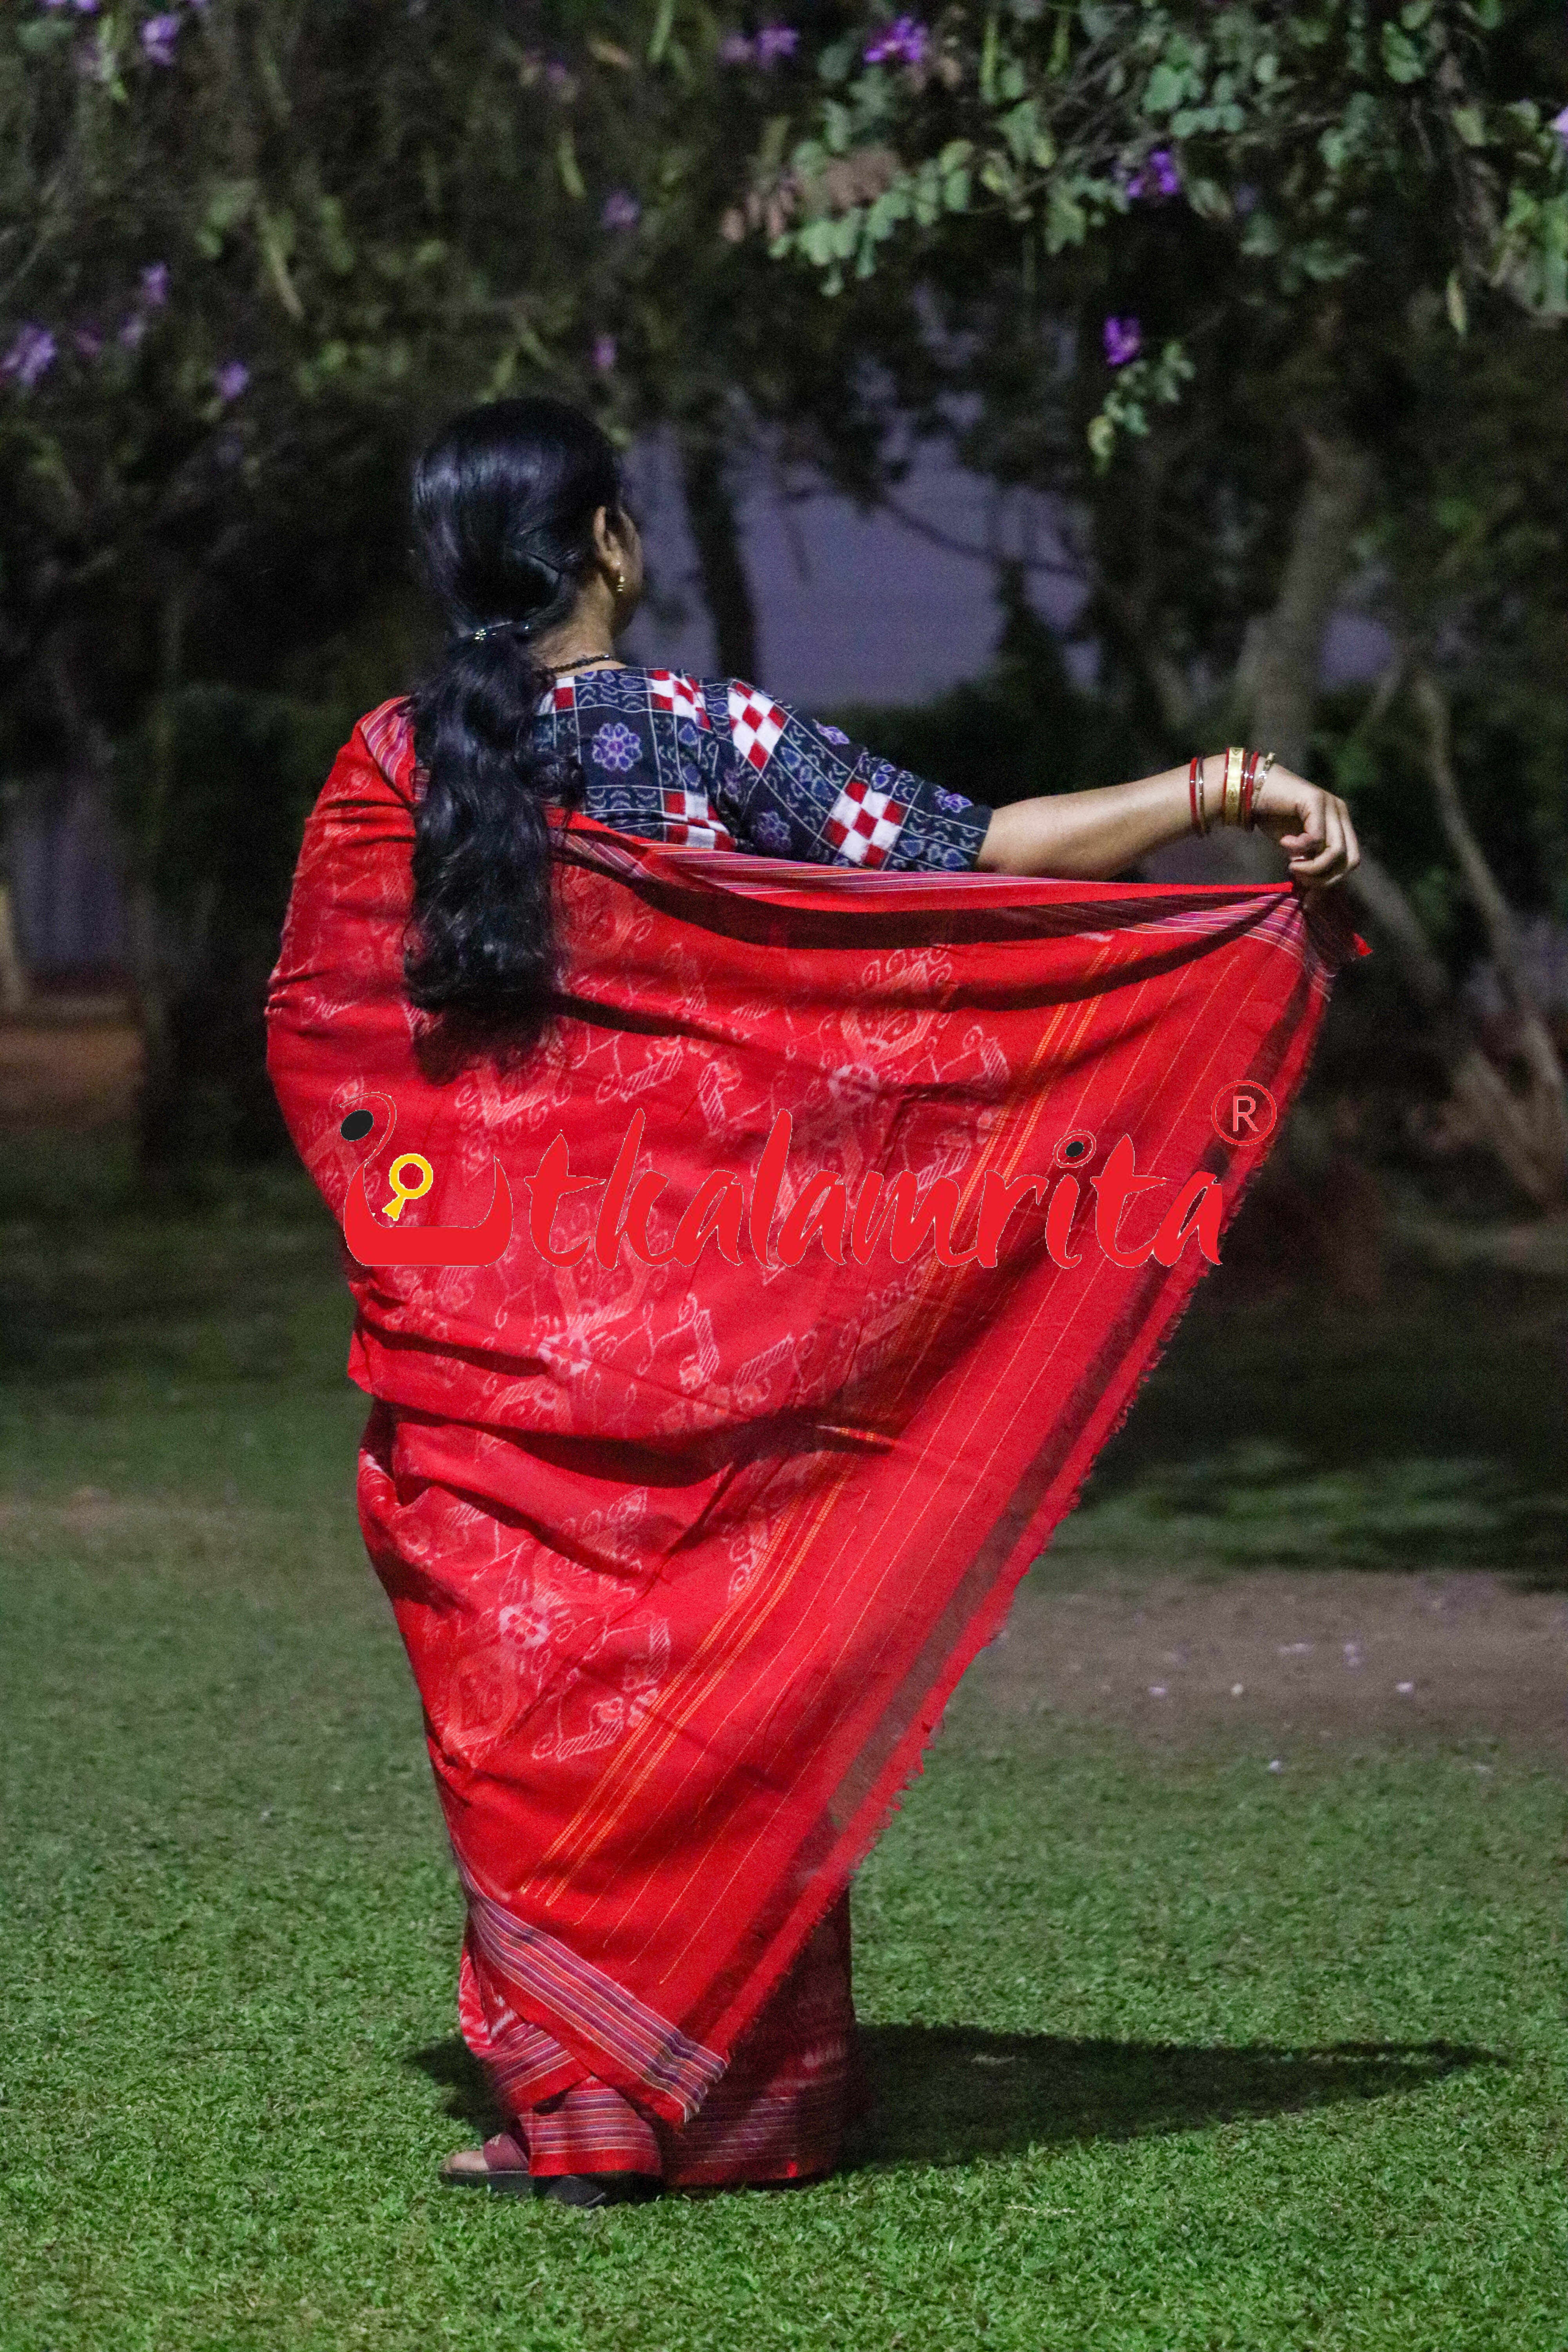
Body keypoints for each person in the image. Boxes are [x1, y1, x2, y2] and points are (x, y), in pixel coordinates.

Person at [265, 397, 1358, 2210]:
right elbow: (979, 855)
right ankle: (746, 2107)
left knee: (541, 1705)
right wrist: (1228, 791)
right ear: (610, 542)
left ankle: (597, 2107)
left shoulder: (395, 772)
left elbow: (334, 1044)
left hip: (494, 1350)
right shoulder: (711, 735)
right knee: (731, 1693)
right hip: (731, 1330)